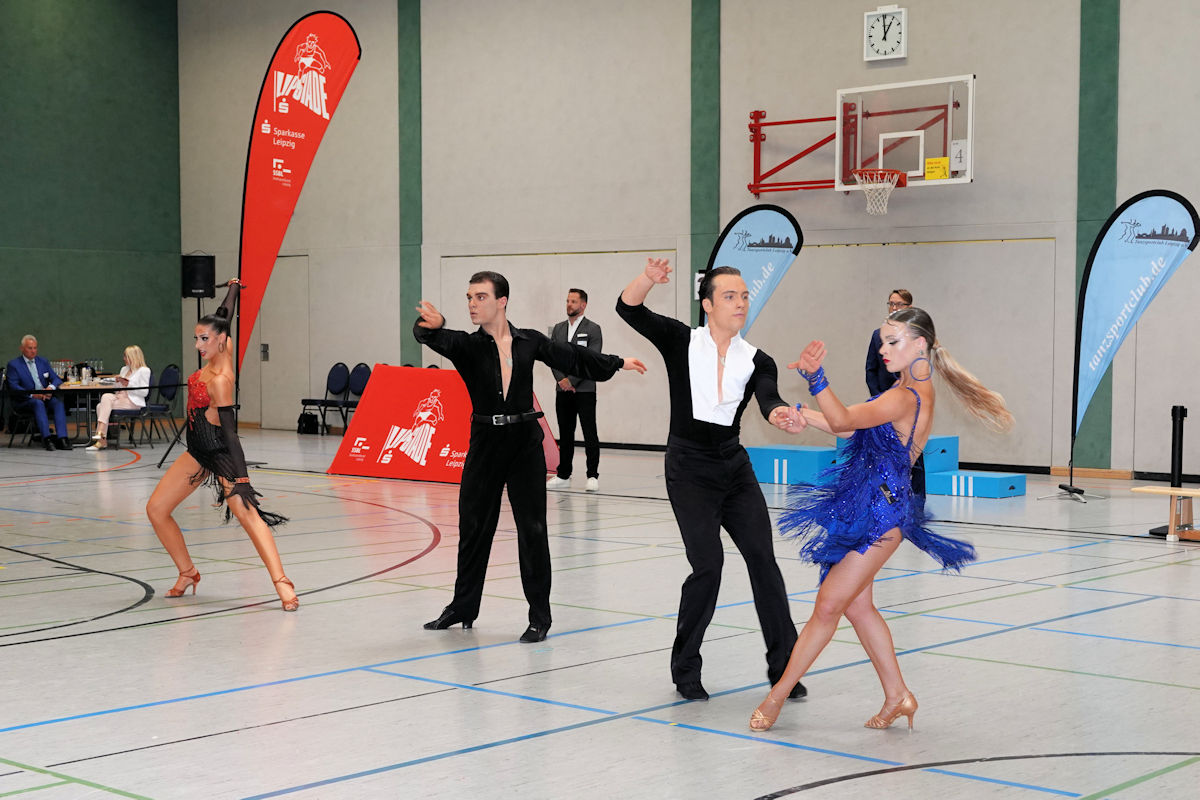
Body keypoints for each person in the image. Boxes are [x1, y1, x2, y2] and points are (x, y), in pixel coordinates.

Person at [748, 306, 1012, 732]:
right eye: (882, 341)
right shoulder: (903, 390)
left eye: (893, 341)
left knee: (828, 605)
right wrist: (802, 414)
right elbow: (851, 430)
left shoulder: (906, 396)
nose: (883, 349)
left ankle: (776, 697)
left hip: (881, 513)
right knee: (858, 606)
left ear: (920, 344)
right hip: (866, 504)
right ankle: (898, 696)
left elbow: (844, 418)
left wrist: (817, 378)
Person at [414, 271, 646, 643]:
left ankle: (540, 616)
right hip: (485, 442)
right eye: (469, 297)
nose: (472, 304)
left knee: (533, 531)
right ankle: (463, 607)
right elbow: (426, 335)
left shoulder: (529, 341)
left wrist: (617, 362)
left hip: (524, 443)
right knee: (473, 528)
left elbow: (574, 357)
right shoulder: (466, 345)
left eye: (480, 297)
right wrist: (433, 324)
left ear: (501, 301)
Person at [617, 257, 805, 702]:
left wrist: (779, 413)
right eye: (730, 296)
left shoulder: (757, 359)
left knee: (764, 561)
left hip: (733, 466)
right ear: (708, 305)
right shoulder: (681, 340)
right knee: (708, 565)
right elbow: (628, 309)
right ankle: (685, 669)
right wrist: (647, 278)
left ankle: (785, 669)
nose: (740, 303)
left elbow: (769, 397)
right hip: (689, 467)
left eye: (744, 296)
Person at [145, 280, 298, 611]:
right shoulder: (220, 344)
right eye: (196, 338)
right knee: (156, 509)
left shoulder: (220, 380)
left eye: (204, 339)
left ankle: (282, 582)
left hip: (220, 453)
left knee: (248, 516)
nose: (198, 344)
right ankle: (188, 572)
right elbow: (224, 315)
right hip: (197, 452)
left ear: (221, 341)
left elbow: (230, 435)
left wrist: (241, 479)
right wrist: (234, 289)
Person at [546, 288, 604, 492]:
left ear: (583, 305)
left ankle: (592, 475)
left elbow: (592, 359)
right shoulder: (558, 329)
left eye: (573, 301)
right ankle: (563, 474)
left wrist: (571, 381)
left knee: (589, 432)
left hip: (585, 389)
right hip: (562, 390)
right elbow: (551, 356)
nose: (569, 304)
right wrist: (561, 380)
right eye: (567, 301)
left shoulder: (593, 329)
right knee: (565, 432)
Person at [7, 335, 70, 451]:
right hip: (25, 400)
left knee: (57, 403)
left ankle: (63, 438)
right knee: (37, 403)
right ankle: (47, 439)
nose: (33, 351)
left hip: (44, 397)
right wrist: (32, 395)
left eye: (35, 348)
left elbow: (56, 379)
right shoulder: (14, 365)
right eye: (30, 348)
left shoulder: (43, 361)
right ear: (22, 348)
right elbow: (14, 387)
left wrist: (50, 388)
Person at [86, 345, 151, 451]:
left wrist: (128, 384)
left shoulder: (144, 370)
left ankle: (100, 438)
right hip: (119, 397)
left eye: (126, 356)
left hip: (133, 402)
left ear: (133, 357)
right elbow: (118, 389)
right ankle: (101, 439)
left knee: (101, 405)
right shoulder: (124, 369)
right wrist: (117, 382)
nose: (124, 359)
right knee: (103, 401)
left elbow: (144, 392)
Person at [865, 289, 912, 396]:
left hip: (909, 396)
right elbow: (871, 370)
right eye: (891, 304)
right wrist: (878, 397)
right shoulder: (877, 335)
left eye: (899, 304)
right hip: (882, 395)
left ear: (909, 307)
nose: (894, 308)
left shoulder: (916, 336)